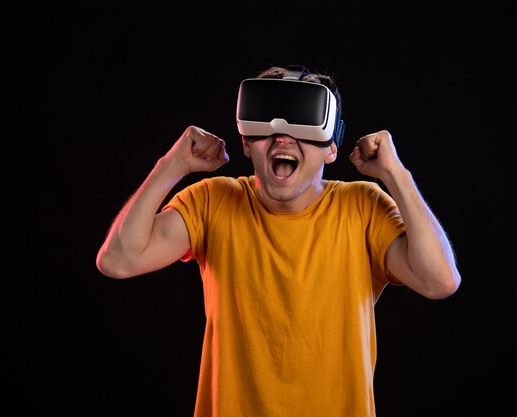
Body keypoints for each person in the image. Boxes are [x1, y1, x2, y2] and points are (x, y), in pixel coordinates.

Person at [96, 65, 461, 417]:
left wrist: (395, 174)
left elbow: (440, 280)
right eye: (268, 124)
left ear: (331, 147)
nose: (282, 136)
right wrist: (171, 164)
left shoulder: (363, 208)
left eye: (302, 121)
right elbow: (118, 260)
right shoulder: (213, 201)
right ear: (247, 142)